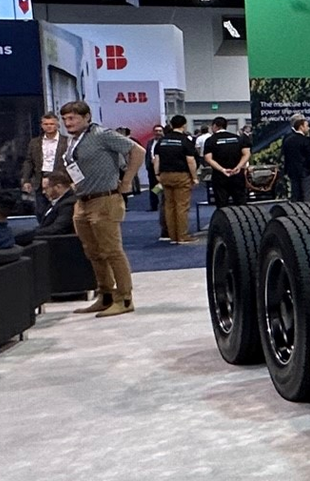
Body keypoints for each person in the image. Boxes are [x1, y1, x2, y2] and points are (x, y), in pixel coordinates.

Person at [60, 99, 144, 318]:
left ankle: (125, 298)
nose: (68, 122)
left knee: (112, 251)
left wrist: (127, 181)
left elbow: (138, 151)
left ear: (86, 117)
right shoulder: (74, 140)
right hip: (82, 201)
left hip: (104, 199)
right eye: (65, 119)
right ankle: (105, 295)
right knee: (93, 252)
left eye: (72, 118)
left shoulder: (101, 134)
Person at [150, 115, 200, 243]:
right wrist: (194, 177)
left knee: (169, 206)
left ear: (171, 125)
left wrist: (157, 175)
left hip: (165, 175)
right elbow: (190, 161)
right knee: (182, 206)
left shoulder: (162, 141)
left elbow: (157, 160)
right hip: (181, 175)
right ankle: (182, 236)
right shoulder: (185, 141)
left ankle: (172, 236)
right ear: (184, 125)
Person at [21, 111, 72, 214]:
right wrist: (26, 180)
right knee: (40, 210)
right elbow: (29, 162)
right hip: (40, 178)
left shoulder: (67, 141)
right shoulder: (34, 142)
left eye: (52, 124)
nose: (49, 126)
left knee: (61, 208)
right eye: (46, 124)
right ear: (42, 125)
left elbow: (72, 161)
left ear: (57, 125)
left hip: (60, 179)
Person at [204, 117, 251, 209]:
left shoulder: (210, 140)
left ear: (214, 126)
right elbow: (247, 154)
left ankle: (224, 222)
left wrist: (222, 170)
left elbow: (208, 159)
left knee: (222, 204)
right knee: (241, 203)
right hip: (237, 174)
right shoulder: (239, 138)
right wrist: (238, 167)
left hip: (220, 176)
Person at [282, 114, 310, 202]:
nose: (309, 128)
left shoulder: (287, 140)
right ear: (301, 126)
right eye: (307, 126)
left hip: (293, 172)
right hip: (307, 173)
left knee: (296, 197)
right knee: (307, 198)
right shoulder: (305, 140)